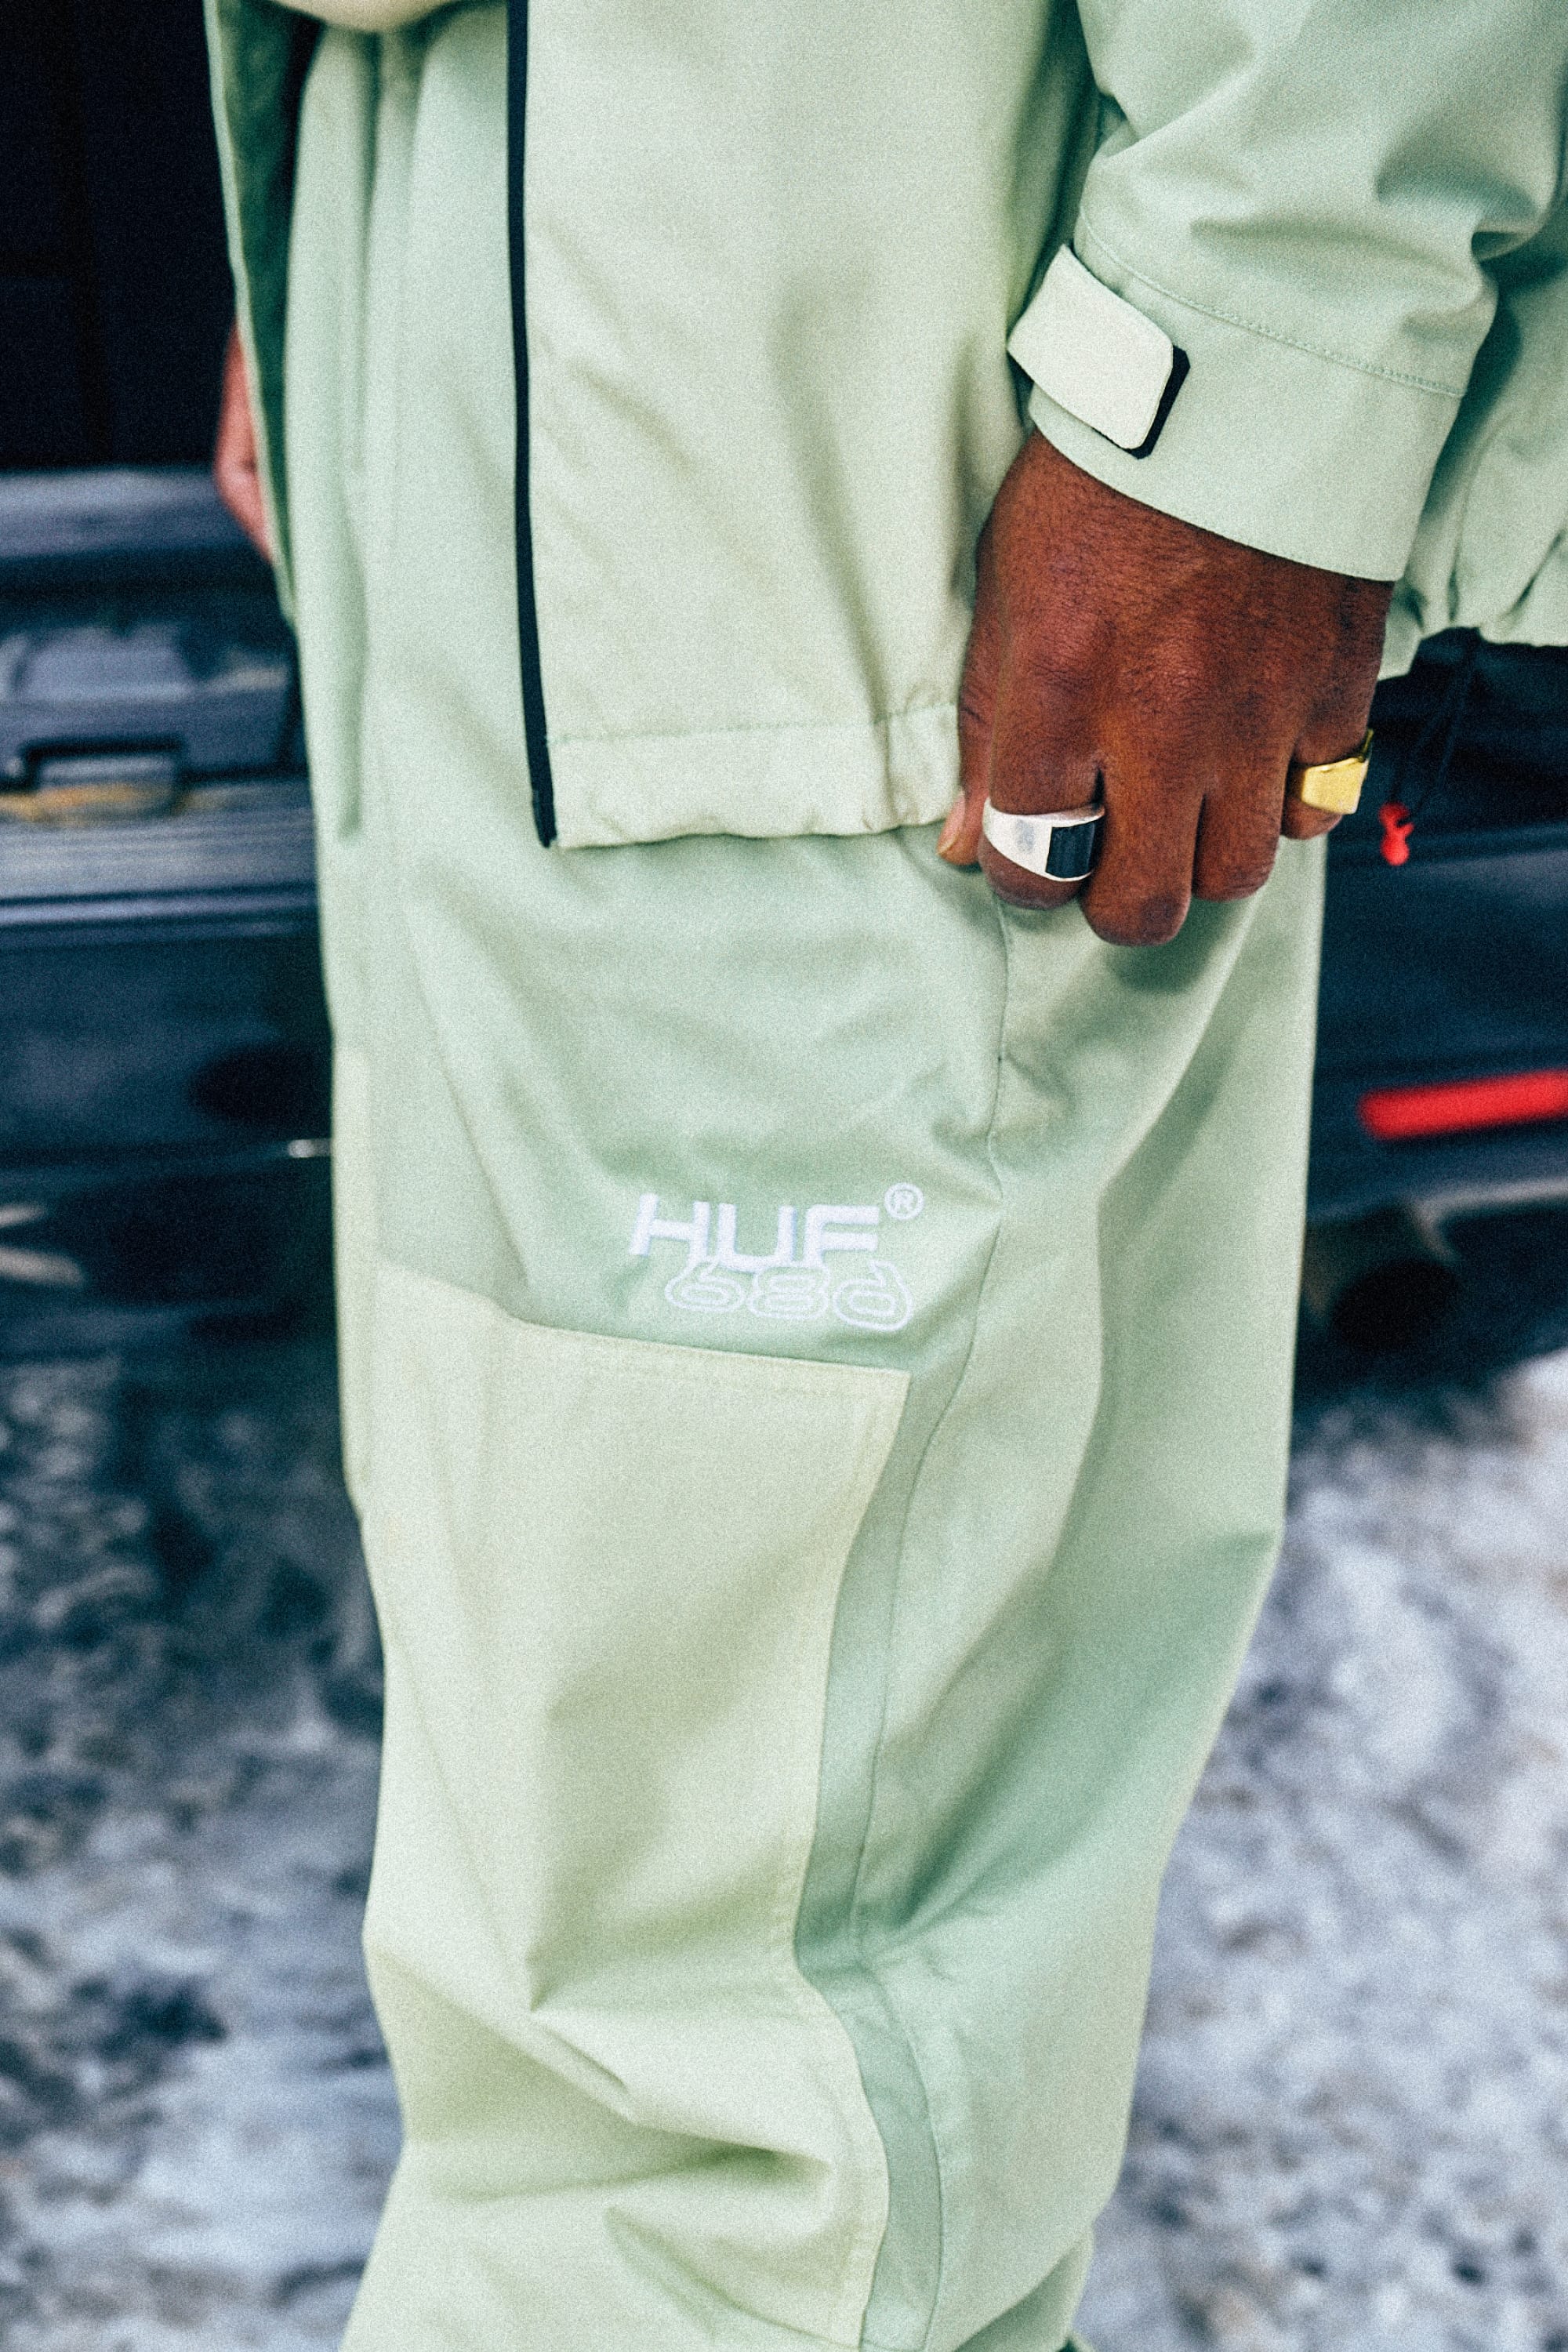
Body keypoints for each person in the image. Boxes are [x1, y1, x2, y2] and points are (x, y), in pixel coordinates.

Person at [206, 3, 1568, 2346]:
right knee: (603, 1936)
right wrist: (333, 235)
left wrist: (1247, 388)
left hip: (841, 477)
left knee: (740, 2076)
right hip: (502, 320)